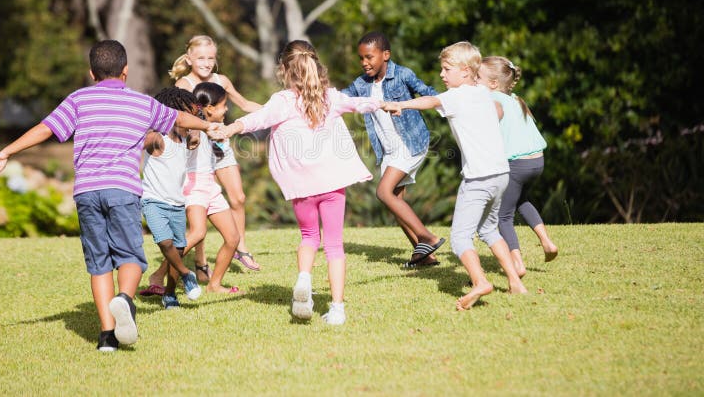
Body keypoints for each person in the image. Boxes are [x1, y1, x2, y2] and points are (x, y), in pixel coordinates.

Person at [0, 40, 222, 352]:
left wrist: (6, 151)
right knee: (130, 258)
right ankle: (124, 300)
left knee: (99, 263)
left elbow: (45, 129)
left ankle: (106, 337)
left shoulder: (78, 100)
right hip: (122, 189)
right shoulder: (141, 103)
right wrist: (208, 127)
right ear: (125, 72)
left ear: (91, 73)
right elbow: (179, 119)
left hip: (87, 191)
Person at [222, 40, 382, 325]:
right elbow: (361, 104)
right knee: (334, 246)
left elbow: (257, 119)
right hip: (333, 184)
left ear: (284, 69)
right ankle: (337, 309)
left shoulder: (282, 101)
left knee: (309, 237)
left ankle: (304, 280)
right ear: (316, 66)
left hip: (302, 187)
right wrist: (388, 104)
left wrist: (232, 127)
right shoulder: (330, 97)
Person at [383, 41, 527, 310]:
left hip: (479, 178)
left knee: (460, 238)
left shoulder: (456, 96)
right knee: (488, 228)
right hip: (501, 175)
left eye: (446, 69)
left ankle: (480, 282)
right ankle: (515, 283)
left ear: (464, 71)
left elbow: (431, 100)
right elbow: (498, 111)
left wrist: (401, 105)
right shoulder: (484, 93)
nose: (442, 75)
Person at [143, 35, 260, 292]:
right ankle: (190, 265)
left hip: (219, 142)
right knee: (198, 228)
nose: (207, 63)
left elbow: (245, 103)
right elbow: (180, 119)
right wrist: (199, 133)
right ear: (189, 59)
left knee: (236, 199)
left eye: (211, 58)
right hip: (199, 153)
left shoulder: (221, 81)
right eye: (201, 58)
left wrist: (278, 111)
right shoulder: (183, 84)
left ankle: (237, 251)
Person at [342, 32, 445, 267]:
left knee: (383, 192)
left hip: (410, 143)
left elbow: (427, 91)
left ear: (385, 55)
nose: (364, 63)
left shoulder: (402, 75)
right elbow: (341, 97)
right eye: (361, 59)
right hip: (388, 150)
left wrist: (457, 103)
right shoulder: (361, 84)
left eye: (369, 57)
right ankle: (424, 254)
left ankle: (427, 237)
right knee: (394, 201)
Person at [477, 56, 558, 276]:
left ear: (493, 83)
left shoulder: (491, 100)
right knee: (522, 200)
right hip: (537, 161)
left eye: (478, 77)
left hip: (517, 164)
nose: (474, 81)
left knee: (503, 215)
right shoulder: (514, 99)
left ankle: (517, 264)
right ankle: (547, 242)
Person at [141, 87, 204, 309]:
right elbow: (141, 137)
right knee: (164, 241)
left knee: (177, 249)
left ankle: (169, 294)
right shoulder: (156, 139)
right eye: (186, 115)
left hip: (177, 204)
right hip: (153, 201)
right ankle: (188, 275)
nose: (191, 121)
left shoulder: (186, 140)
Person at [182, 82, 241, 294]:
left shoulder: (212, 127)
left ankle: (214, 285)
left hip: (210, 186)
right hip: (194, 186)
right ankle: (161, 273)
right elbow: (192, 139)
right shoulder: (194, 127)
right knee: (197, 233)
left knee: (233, 238)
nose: (226, 109)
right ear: (209, 109)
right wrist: (195, 136)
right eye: (223, 105)